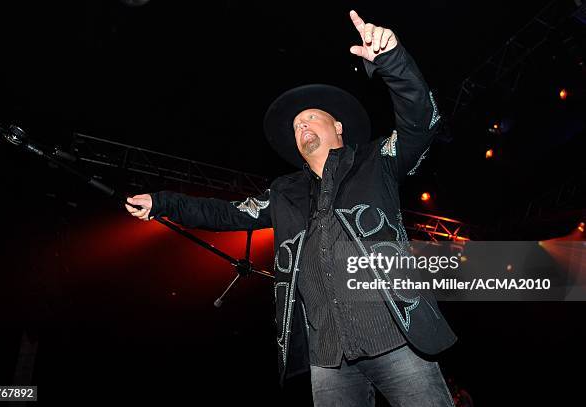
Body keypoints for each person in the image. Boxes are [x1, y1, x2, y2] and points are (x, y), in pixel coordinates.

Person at [126, 10, 457, 407]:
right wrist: (163, 203)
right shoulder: (285, 191)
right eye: (296, 125)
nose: (302, 127)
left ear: (338, 128)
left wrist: (392, 60)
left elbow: (421, 121)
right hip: (328, 359)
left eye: (311, 118)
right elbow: (226, 213)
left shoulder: (377, 160)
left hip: (396, 338)